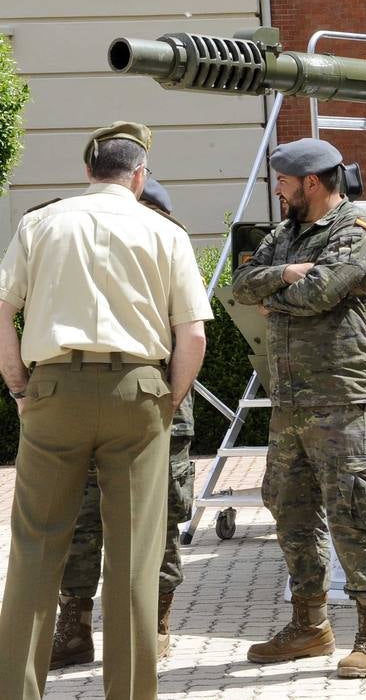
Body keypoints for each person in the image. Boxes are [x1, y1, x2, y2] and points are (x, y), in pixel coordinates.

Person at [0, 122, 211, 699]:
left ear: (88, 171)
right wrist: (167, 397)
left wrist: (20, 386)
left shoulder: (40, 222)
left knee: (35, 552)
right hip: (138, 391)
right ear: (139, 175)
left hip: (53, 390)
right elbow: (191, 333)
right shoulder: (163, 231)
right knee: (135, 558)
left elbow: (2, 308)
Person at [231, 138, 366, 679]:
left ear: (310, 181)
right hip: (290, 400)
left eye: (282, 181)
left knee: (353, 511)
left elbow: (323, 292)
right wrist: (286, 273)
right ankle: (310, 625)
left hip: (344, 397)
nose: (277, 190)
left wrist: (281, 291)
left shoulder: (359, 232)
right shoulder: (287, 235)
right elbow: (240, 282)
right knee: (290, 509)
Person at [50, 178, 196, 670]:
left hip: (158, 404)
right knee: (79, 517)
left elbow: (190, 332)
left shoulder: (169, 246)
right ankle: (74, 627)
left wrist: (171, 400)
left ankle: (154, 622)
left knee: (159, 520)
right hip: (98, 402)